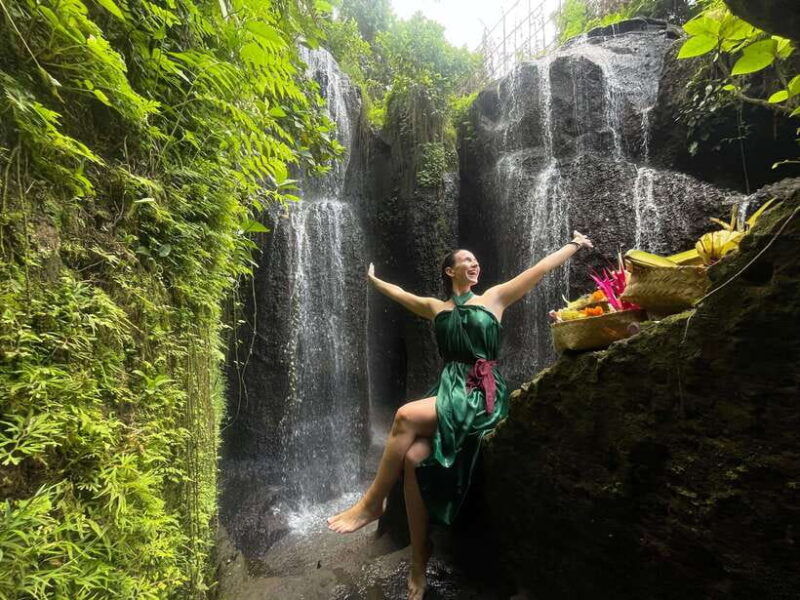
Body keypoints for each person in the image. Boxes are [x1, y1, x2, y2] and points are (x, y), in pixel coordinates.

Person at [327, 231, 594, 599]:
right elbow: (404, 296)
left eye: (475, 261)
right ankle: (419, 560)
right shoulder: (438, 309)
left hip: (479, 392)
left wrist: (575, 245)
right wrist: (374, 281)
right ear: (450, 270)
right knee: (414, 458)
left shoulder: (494, 299)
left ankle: (372, 502)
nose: (474, 264)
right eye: (466, 260)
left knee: (405, 416)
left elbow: (538, 270)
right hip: (448, 389)